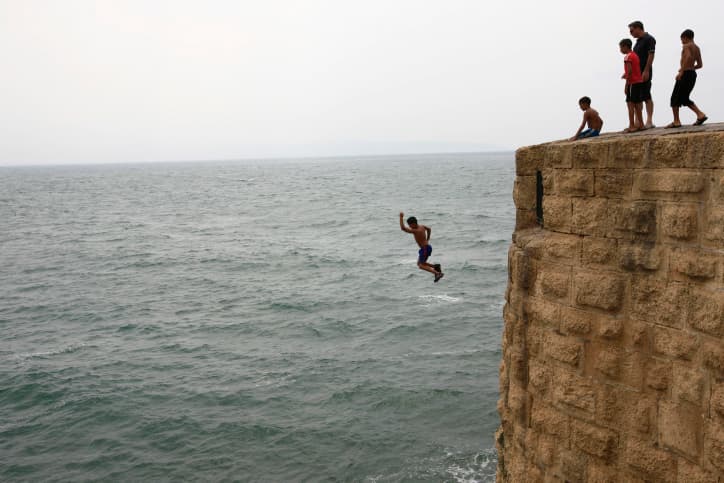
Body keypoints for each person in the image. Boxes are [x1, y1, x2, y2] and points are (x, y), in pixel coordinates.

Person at [666, 29, 707, 128]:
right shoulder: (697, 48)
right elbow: (700, 65)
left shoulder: (687, 46)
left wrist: (682, 71)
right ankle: (700, 115)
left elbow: (688, 57)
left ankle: (676, 121)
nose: (681, 42)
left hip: (686, 74)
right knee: (684, 98)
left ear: (685, 37)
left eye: (682, 39)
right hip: (692, 74)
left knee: (674, 98)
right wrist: (691, 68)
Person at [399, 212, 444, 282]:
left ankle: (438, 273)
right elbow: (429, 229)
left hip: (425, 249)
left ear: (414, 223)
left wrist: (401, 217)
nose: (410, 227)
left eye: (410, 225)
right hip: (426, 248)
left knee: (421, 265)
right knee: (419, 263)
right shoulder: (422, 227)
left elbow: (403, 228)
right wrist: (428, 238)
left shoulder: (416, 231)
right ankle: (435, 266)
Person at [629, 21, 656, 129]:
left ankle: (649, 120)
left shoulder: (649, 39)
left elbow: (651, 55)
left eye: (632, 30)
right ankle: (638, 122)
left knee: (646, 95)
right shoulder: (637, 42)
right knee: (636, 97)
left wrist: (646, 70)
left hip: (644, 71)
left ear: (638, 28)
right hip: (636, 73)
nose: (631, 33)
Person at [620, 39, 644, 133]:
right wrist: (625, 74)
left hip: (632, 83)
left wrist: (626, 85)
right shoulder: (635, 55)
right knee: (638, 104)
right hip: (638, 81)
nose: (620, 50)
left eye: (621, 47)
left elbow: (629, 71)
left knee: (630, 104)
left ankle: (632, 125)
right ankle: (641, 124)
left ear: (625, 46)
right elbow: (633, 69)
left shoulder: (627, 57)